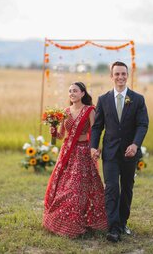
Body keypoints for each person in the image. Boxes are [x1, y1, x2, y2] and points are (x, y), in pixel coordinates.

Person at [91, 61, 149, 243]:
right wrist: (94, 146)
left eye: (123, 74)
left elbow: (142, 124)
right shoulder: (103, 99)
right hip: (109, 153)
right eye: (117, 74)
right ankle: (113, 228)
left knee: (127, 188)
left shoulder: (138, 99)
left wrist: (135, 144)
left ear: (128, 75)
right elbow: (97, 126)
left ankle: (123, 222)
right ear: (111, 76)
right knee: (112, 188)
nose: (120, 77)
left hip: (129, 153)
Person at [43, 82, 107, 238]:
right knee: (63, 187)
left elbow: (95, 131)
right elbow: (61, 135)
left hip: (84, 152)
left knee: (77, 189)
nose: (72, 93)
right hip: (67, 152)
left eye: (75, 91)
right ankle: (63, 221)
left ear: (83, 93)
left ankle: (82, 222)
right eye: (70, 91)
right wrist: (53, 132)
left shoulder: (90, 110)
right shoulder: (65, 112)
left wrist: (95, 149)